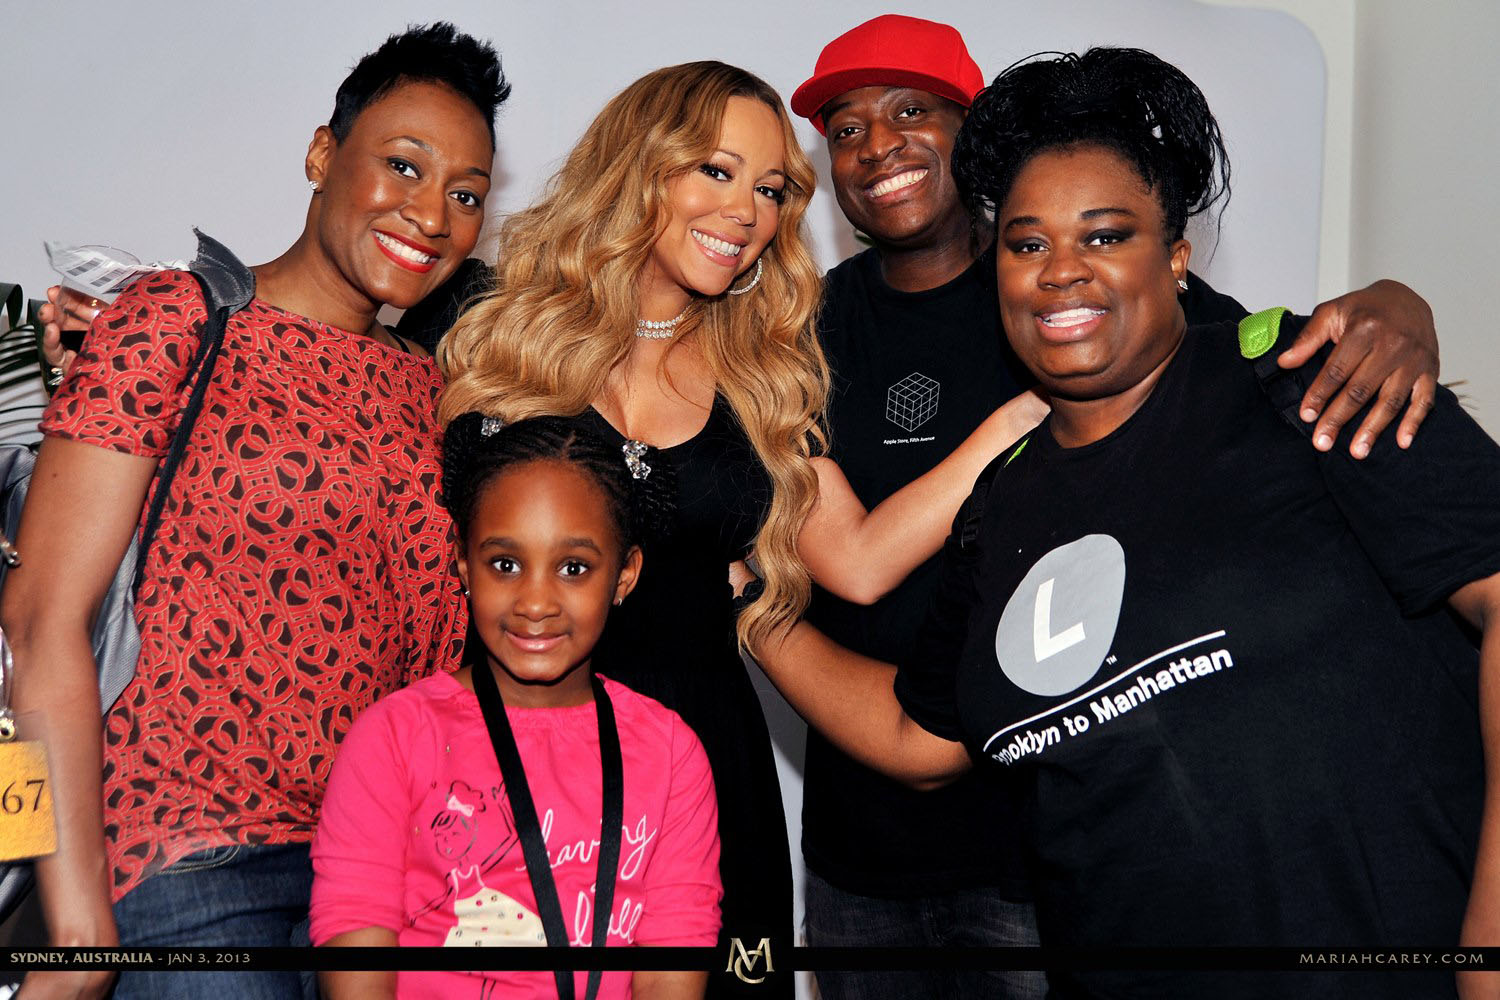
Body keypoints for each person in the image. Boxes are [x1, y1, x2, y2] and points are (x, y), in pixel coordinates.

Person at [747, 45, 1500, 1000]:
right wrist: (744, 609)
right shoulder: (996, 513)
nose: (1061, 271)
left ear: (1177, 258)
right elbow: (915, 736)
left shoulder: (1309, 383)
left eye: (1104, 236)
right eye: (1027, 245)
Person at [436, 60, 1047, 997]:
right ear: (640, 168)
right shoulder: (494, 331)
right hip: (512, 775)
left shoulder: (761, 377)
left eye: (770, 190)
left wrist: (1021, 419)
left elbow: (859, 561)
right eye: (717, 172)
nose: (748, 212)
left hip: (703, 783)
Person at [0, 23, 508, 1000]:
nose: (430, 213)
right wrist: (77, 933)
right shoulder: (177, 319)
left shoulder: (432, 392)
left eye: (466, 193)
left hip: (377, 885)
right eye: (403, 165)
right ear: (322, 154)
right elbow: (38, 620)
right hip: (186, 863)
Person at [311, 414, 721, 1000]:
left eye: (573, 568)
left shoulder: (671, 753)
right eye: (505, 564)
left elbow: (671, 965)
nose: (535, 602)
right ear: (463, 563)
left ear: (624, 575)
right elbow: (358, 951)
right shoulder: (394, 738)